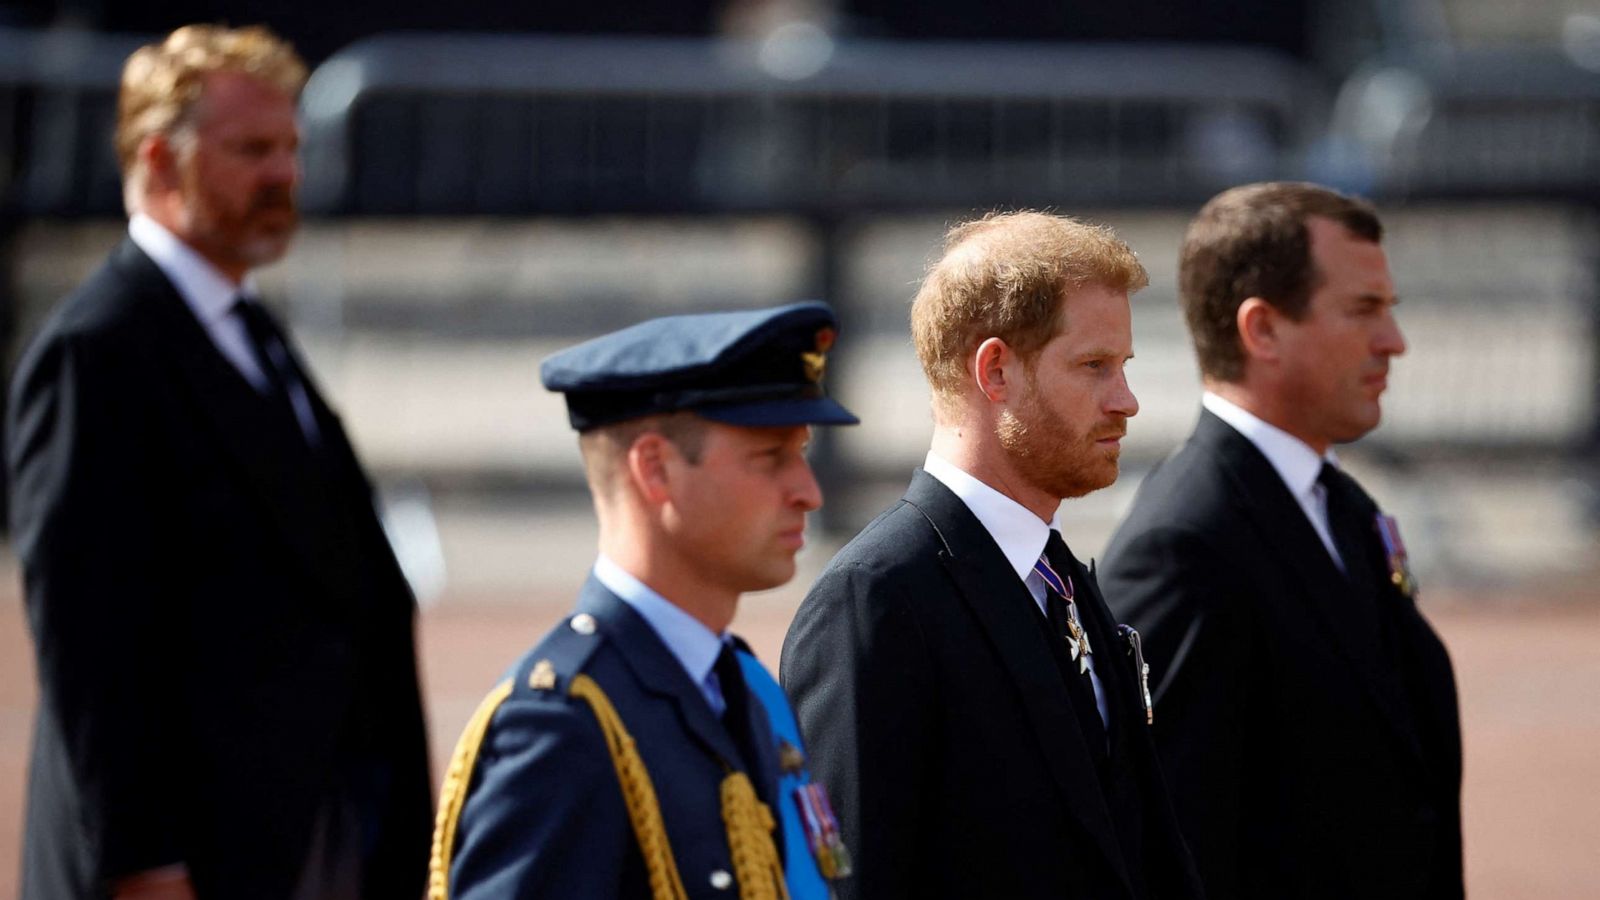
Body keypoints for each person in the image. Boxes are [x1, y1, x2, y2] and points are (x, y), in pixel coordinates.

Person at [6, 25, 433, 900]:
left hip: (297, 825)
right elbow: (91, 646)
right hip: (194, 858)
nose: (284, 175)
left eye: (290, 149)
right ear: (161, 161)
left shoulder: (247, 329)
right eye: (250, 150)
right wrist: (145, 862)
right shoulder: (100, 350)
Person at [782, 212, 1204, 900]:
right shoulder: (877, 600)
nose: (1126, 401)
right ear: (996, 370)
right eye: (1094, 367)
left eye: (1122, 367)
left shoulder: (1059, 578)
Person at [1099, 181, 1463, 899]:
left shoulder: (1339, 506)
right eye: (1363, 311)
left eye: (1389, 311)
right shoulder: (1185, 544)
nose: (1394, 341)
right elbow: (1171, 845)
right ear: (1261, 329)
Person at [433, 302, 859, 899]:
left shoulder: (741, 689)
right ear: (655, 469)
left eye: (803, 455)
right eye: (771, 458)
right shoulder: (561, 726)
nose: (808, 493)